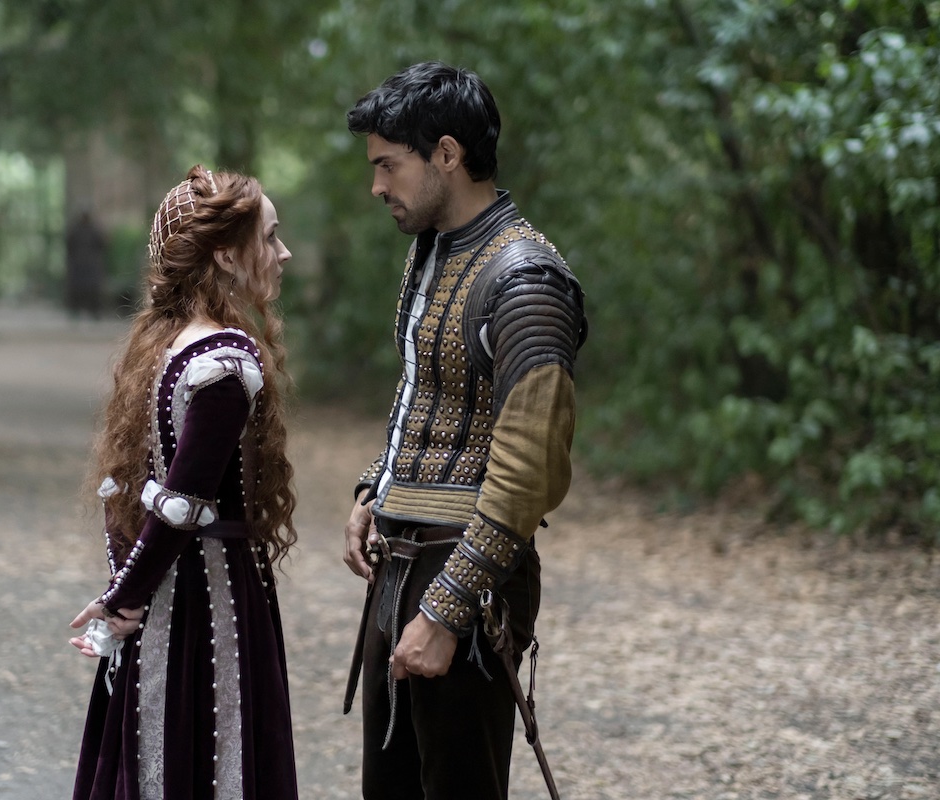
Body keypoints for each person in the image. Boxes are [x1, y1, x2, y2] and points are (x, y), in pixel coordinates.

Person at [341, 62, 588, 800]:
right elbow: (424, 387)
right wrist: (374, 487)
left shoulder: (525, 280)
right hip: (402, 560)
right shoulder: (435, 252)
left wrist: (448, 610)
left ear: (446, 154)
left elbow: (526, 470)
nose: (378, 186)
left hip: (466, 578)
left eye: (389, 164)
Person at [68, 165, 299, 800]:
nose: (283, 253)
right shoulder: (224, 362)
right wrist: (122, 601)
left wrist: (126, 591)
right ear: (226, 254)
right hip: (207, 600)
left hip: (168, 590)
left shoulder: (169, 346)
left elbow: (144, 493)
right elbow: (180, 505)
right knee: (211, 753)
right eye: (271, 237)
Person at [65, 207, 108, 320]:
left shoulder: (93, 231)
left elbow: (103, 244)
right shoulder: (76, 231)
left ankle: (94, 312)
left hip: (89, 266)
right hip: (80, 266)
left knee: (92, 290)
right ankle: (75, 312)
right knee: (78, 290)